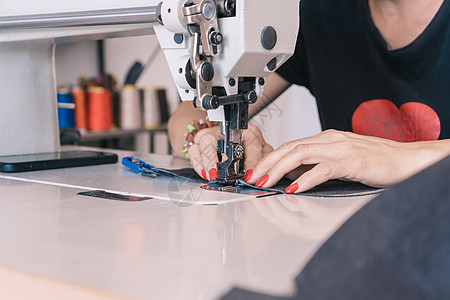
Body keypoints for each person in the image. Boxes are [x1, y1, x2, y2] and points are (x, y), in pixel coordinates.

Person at [168, 0, 450, 193]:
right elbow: (188, 115)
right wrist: (204, 138)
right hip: (358, 240)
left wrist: (399, 159)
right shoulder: (319, 14)